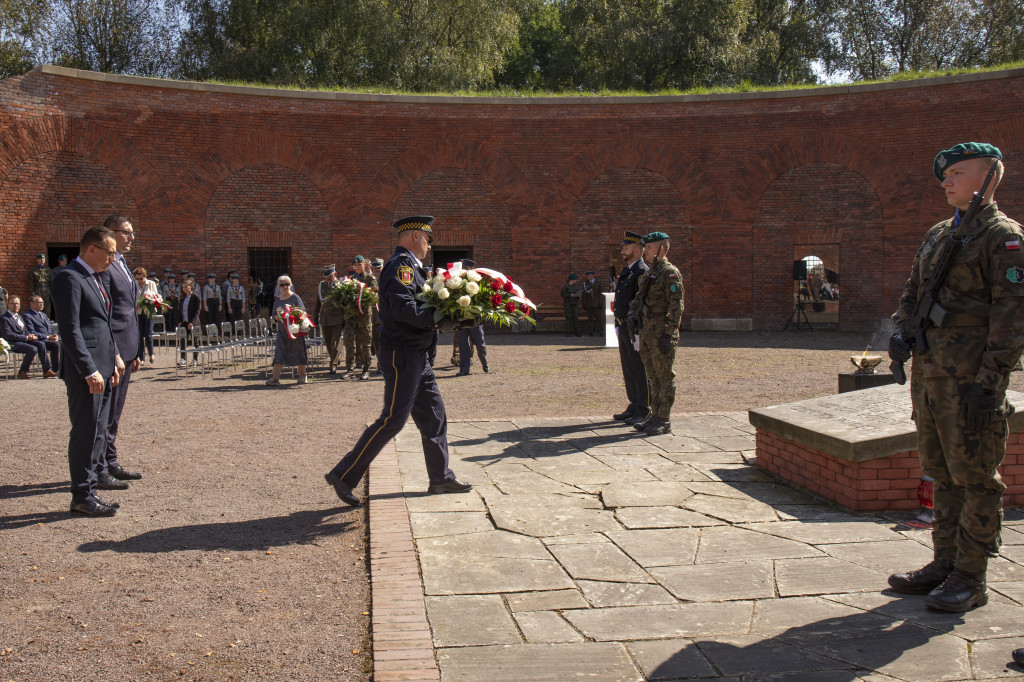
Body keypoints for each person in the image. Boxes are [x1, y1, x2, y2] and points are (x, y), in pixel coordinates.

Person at [887, 142, 1024, 613]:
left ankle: (972, 576)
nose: (946, 181)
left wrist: (991, 382)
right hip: (931, 375)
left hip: (970, 379)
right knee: (941, 474)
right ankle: (943, 563)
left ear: (989, 177)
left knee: (976, 478)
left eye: (957, 173)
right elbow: (913, 290)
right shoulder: (940, 233)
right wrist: (901, 332)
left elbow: (1012, 318)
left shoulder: (1002, 237)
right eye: (944, 175)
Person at [325, 215, 472, 507]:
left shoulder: (411, 267)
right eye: (428, 240)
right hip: (403, 353)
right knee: (392, 419)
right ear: (416, 236)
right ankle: (344, 474)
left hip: (417, 355)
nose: (429, 247)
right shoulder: (401, 267)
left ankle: (440, 476)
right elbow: (404, 308)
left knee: (434, 417)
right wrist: (438, 322)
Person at [51, 226, 123, 516]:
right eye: (110, 252)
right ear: (92, 249)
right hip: (87, 371)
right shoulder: (69, 277)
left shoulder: (94, 277)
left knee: (98, 431)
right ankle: (82, 494)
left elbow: (101, 323)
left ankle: (91, 489)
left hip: (103, 366)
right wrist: (89, 369)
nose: (113, 259)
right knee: (85, 431)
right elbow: (70, 329)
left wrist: (114, 358)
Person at [98, 214, 143, 488]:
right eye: (126, 232)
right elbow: (105, 313)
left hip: (127, 348)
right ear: (110, 233)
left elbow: (129, 312)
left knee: (116, 413)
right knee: (105, 413)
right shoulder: (105, 266)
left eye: (131, 232)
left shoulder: (123, 264)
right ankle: (100, 468)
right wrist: (114, 350)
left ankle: (111, 461)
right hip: (112, 349)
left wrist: (135, 350)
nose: (131, 237)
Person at [628, 231, 684, 436]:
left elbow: (676, 305)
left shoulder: (669, 273)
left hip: (661, 332)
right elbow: (639, 298)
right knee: (652, 375)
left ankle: (664, 418)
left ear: (661, 248)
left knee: (664, 375)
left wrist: (670, 332)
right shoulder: (651, 272)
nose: (645, 252)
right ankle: (654, 415)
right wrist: (632, 314)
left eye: (649, 248)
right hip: (647, 331)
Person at [612, 231, 650, 425]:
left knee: (639, 367)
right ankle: (634, 403)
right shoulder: (627, 270)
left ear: (637, 250)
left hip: (634, 327)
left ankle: (644, 407)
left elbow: (640, 301)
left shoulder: (641, 272)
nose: (622, 251)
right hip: (623, 326)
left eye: (625, 248)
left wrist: (636, 327)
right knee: (628, 367)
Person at [1, 295, 58, 378]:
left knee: (40, 344)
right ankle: (22, 371)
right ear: (7, 304)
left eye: (17, 304)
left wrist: (30, 336)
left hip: (24, 340)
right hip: (12, 343)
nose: (15, 305)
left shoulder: (20, 317)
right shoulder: (4, 318)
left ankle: (47, 370)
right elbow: (8, 334)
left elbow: (25, 331)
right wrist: (27, 338)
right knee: (32, 349)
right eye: (13, 303)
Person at [266, 275, 308, 385]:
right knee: (279, 353)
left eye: (287, 284)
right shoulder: (278, 300)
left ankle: (303, 376)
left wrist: (293, 316)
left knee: (299, 352)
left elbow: (302, 311)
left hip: (295, 332)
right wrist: (278, 317)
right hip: (282, 332)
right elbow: (274, 314)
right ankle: (275, 378)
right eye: (282, 285)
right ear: (279, 287)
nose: (285, 287)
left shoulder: (295, 297)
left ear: (290, 285)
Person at [343, 255, 376, 380]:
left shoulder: (370, 278)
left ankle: (366, 370)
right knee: (349, 343)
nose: (357, 267)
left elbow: (375, 292)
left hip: (364, 317)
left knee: (366, 344)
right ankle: (350, 370)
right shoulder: (349, 279)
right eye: (355, 265)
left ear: (364, 265)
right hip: (351, 317)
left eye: (360, 264)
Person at [456, 258, 488, 376]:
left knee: (479, 343)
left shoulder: (479, 283)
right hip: (462, 319)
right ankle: (464, 369)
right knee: (463, 345)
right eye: (464, 270)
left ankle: (484, 363)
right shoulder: (456, 283)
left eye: (467, 269)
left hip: (475, 319)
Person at [317, 264, 345, 374]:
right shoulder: (322, 285)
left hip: (337, 318)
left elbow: (344, 302)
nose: (328, 279)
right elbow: (318, 302)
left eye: (330, 276)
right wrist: (315, 316)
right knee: (328, 342)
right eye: (326, 277)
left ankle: (333, 364)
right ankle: (335, 359)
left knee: (335, 342)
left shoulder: (341, 284)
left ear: (335, 274)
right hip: (325, 318)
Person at [23, 294, 60, 373]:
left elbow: (50, 328)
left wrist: (55, 335)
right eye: (39, 302)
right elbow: (31, 332)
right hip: (38, 340)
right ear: (31, 303)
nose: (42, 304)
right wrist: (47, 337)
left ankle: (59, 369)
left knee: (63, 343)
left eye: (42, 302)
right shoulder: (27, 316)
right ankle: (51, 369)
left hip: (48, 339)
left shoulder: (43, 315)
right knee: (55, 345)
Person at [133, 267, 158, 365]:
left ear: (145, 277)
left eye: (141, 279)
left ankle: (151, 354)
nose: (139, 281)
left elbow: (156, 296)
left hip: (149, 311)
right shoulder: (134, 285)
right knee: (139, 335)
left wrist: (150, 301)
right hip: (138, 311)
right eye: (137, 279)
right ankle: (141, 357)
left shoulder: (151, 284)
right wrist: (136, 305)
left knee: (148, 333)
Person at [177, 280, 201, 367]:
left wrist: (192, 322)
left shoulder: (196, 297)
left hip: (193, 323)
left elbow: (197, 311)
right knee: (183, 341)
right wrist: (179, 321)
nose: (185, 289)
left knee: (195, 341)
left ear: (191, 287)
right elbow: (180, 311)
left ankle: (195, 359)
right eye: (183, 287)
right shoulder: (182, 298)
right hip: (184, 322)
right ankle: (183, 358)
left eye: (186, 286)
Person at [28, 253, 53, 317]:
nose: (42, 260)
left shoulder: (48, 270)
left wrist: (52, 292)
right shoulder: (34, 270)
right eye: (40, 258)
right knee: (37, 308)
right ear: (37, 260)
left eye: (43, 258)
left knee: (47, 308)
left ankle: (47, 321)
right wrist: (33, 294)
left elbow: (52, 282)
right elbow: (31, 282)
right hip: (38, 292)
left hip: (47, 291)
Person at [370, 258, 383, 373]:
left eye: (379, 268)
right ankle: (380, 362)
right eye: (375, 268)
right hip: (373, 316)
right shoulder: (369, 281)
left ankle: (383, 363)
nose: (377, 270)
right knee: (376, 342)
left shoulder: (388, 280)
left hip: (385, 316)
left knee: (384, 340)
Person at [580, 270, 603, 337]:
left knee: (599, 318)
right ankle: (591, 332)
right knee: (590, 319)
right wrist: (584, 303)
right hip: (589, 303)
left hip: (597, 303)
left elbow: (600, 293)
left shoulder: (598, 282)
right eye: (587, 276)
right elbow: (584, 295)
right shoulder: (586, 283)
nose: (588, 277)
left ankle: (601, 331)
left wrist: (601, 302)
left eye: (589, 275)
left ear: (592, 275)